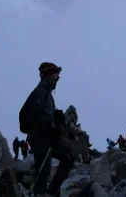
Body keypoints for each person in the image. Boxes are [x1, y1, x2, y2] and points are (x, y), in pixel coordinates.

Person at [20, 62, 74, 197]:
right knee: (43, 168)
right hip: (39, 136)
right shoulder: (40, 92)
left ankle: (50, 192)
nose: (58, 78)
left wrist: (57, 120)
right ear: (48, 75)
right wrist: (51, 128)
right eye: (56, 74)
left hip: (48, 137)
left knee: (68, 158)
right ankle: (40, 193)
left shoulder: (47, 94)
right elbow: (37, 115)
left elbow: (45, 114)